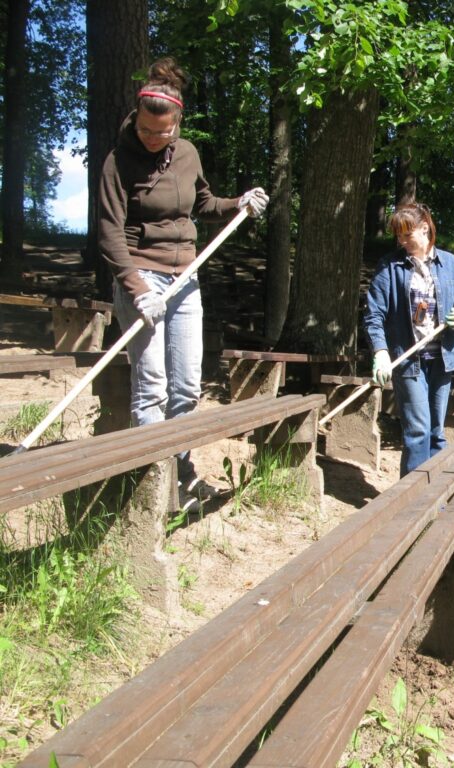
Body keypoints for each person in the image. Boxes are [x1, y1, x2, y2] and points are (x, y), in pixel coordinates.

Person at [98, 58, 268, 513]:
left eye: (163, 132)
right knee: (151, 384)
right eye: (146, 131)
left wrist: (240, 204)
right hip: (142, 277)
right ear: (136, 119)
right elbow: (110, 232)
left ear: (177, 122)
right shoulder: (118, 161)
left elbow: (205, 203)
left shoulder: (188, 152)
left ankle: (182, 476)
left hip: (184, 279)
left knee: (187, 386)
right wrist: (137, 288)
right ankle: (152, 488)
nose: (153, 139)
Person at [363, 202, 454, 475]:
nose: (401, 242)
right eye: (398, 236)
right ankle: (409, 504)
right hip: (408, 360)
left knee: (437, 432)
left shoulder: (451, 264)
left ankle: (433, 501)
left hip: (443, 359)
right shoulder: (389, 267)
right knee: (418, 430)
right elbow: (374, 314)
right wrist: (380, 352)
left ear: (425, 229)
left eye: (406, 235)